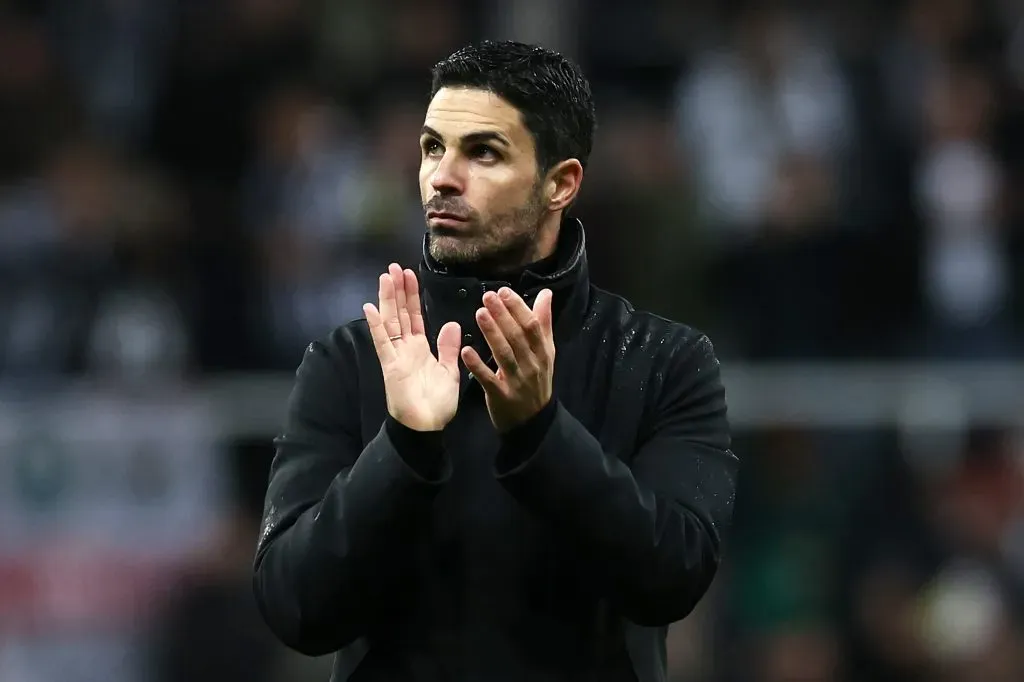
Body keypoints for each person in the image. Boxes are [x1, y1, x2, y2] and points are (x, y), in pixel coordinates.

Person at [253, 40, 738, 682]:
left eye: (483, 152)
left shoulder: (665, 362)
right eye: (432, 148)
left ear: (560, 183)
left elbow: (672, 579)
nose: (442, 178)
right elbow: (294, 609)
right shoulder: (349, 360)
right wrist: (402, 448)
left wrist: (542, 434)